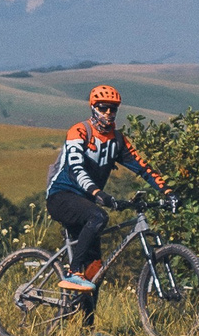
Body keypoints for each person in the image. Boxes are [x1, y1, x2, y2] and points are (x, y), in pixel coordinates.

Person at [46, 85, 173, 296]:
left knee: (96, 269)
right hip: (61, 196)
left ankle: (85, 317)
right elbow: (76, 169)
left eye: (112, 109)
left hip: (86, 202)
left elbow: (143, 168)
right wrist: (99, 194)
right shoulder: (79, 131)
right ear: (93, 108)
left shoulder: (118, 140)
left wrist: (167, 191)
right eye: (103, 108)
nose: (108, 113)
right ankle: (73, 271)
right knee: (98, 216)